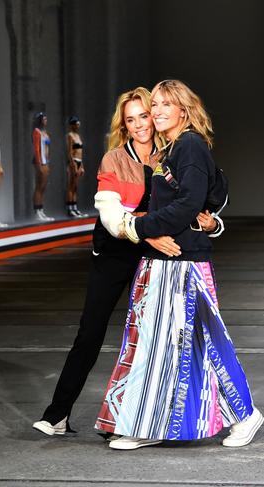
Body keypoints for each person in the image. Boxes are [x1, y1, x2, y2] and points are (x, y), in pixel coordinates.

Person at [32, 87, 222, 439]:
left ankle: (127, 420)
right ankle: (56, 414)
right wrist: (149, 235)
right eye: (130, 120)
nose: (139, 125)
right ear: (124, 125)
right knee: (90, 333)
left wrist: (213, 223)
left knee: (150, 340)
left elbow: (201, 202)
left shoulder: (175, 151)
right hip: (116, 253)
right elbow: (110, 216)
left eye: (144, 116)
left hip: (157, 257)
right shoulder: (114, 159)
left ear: (156, 115)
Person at [96, 79, 260, 450]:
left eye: (165, 105)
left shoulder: (188, 145)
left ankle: (247, 416)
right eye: (154, 105)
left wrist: (140, 227)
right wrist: (200, 219)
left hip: (184, 264)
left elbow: (190, 202)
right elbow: (209, 195)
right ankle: (150, 425)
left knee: (208, 343)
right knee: (158, 347)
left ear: (184, 110)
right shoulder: (174, 148)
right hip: (164, 261)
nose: (156, 112)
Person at [31, 112, 54, 221]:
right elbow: (36, 149)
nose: (46, 121)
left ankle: (41, 210)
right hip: (40, 162)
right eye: (44, 119)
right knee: (39, 186)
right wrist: (39, 164)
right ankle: (37, 211)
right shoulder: (37, 132)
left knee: (43, 186)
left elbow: (48, 148)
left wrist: (48, 162)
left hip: (46, 162)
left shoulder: (45, 133)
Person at [66, 116, 87, 217]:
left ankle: (75, 207)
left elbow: (81, 152)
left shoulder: (78, 136)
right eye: (76, 123)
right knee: (71, 186)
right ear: (73, 124)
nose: (78, 125)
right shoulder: (70, 136)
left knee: (75, 186)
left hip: (79, 161)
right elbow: (69, 151)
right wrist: (72, 164)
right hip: (73, 161)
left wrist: (81, 165)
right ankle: (70, 209)